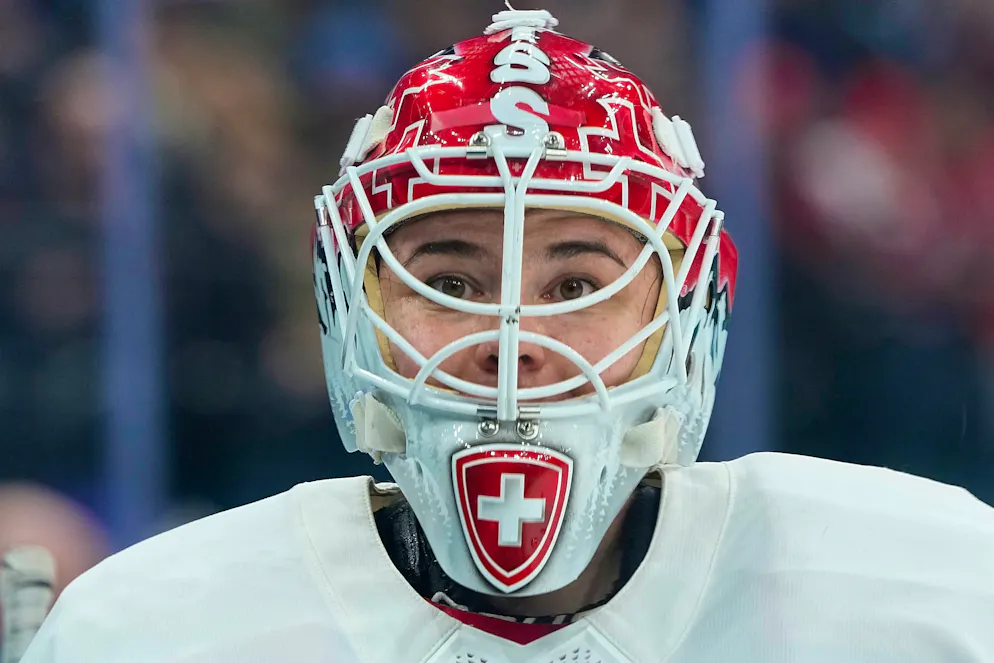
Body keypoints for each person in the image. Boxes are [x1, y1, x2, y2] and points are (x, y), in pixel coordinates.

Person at [21, 9, 994, 663]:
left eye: (576, 280)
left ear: (685, 320)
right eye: (446, 279)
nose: (513, 335)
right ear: (346, 309)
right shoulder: (150, 630)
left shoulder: (931, 586)